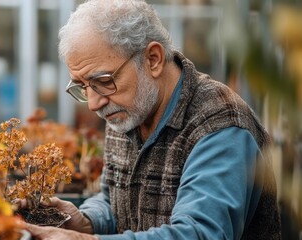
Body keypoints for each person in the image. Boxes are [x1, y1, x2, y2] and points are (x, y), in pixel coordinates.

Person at [25, 0, 281, 239]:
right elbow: (114, 201)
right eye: (83, 86)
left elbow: (199, 233)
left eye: (102, 81)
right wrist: (87, 222)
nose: (94, 103)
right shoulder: (127, 108)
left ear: (153, 59)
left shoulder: (220, 126)